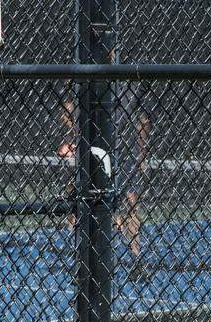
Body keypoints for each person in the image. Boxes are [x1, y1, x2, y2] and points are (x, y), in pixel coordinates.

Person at [56, 83, 150, 259]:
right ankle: (77, 247)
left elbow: (144, 122)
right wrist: (73, 137)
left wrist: (141, 152)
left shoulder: (129, 87)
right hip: (91, 147)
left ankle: (135, 253)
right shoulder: (82, 87)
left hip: (123, 150)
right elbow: (67, 114)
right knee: (77, 194)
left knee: (130, 200)